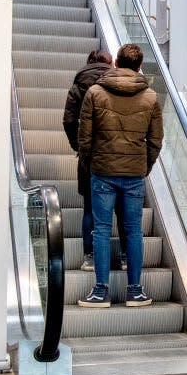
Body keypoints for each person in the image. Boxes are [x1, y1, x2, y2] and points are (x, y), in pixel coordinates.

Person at [77, 44, 163, 308]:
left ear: (115, 63)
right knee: (134, 231)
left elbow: (85, 137)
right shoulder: (150, 97)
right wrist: (143, 166)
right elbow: (156, 140)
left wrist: (93, 164)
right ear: (140, 66)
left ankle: (100, 291)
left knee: (101, 230)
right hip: (134, 174)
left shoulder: (94, 93)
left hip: (102, 172)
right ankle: (135, 291)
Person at [62, 49, 127, 273]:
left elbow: (69, 120)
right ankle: (127, 255)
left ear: (89, 62)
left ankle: (90, 256)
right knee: (121, 206)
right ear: (111, 64)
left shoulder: (79, 85)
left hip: (89, 155)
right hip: (118, 153)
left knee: (90, 207)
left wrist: (78, 146)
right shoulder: (119, 85)